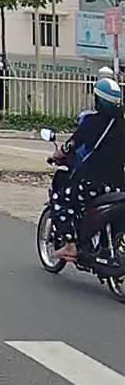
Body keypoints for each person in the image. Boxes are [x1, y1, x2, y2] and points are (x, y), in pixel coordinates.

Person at [50, 77, 125, 262]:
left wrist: (57, 155)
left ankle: (70, 245)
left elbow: (71, 146)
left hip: (93, 184)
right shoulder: (122, 125)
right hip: (118, 186)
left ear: (98, 100)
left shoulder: (91, 122)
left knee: (61, 199)